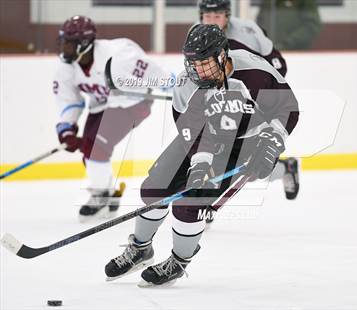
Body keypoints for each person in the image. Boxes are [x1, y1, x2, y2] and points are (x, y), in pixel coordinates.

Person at [104, 24, 299, 286]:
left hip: (245, 145)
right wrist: (200, 164)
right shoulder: (186, 86)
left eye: (205, 63)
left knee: (189, 205)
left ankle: (179, 261)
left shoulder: (256, 71)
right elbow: (192, 133)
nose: (198, 71)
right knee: (154, 188)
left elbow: (288, 108)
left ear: (222, 56)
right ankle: (141, 248)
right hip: (205, 138)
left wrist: (271, 143)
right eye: (193, 64)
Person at [54, 15, 170, 222]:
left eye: (69, 43)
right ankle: (110, 192)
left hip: (132, 104)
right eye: (63, 41)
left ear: (83, 44)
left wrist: (173, 86)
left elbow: (152, 72)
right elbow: (68, 99)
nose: (64, 48)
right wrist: (67, 128)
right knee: (89, 153)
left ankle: (101, 197)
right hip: (102, 106)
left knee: (94, 147)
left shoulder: (119, 55)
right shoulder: (66, 67)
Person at [198, 0, 300, 207]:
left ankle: (282, 168)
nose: (212, 22)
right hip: (224, 99)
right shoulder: (197, 32)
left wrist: (261, 95)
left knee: (251, 162)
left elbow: (278, 65)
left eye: (217, 16)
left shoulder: (247, 31)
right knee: (225, 150)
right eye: (207, 17)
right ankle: (284, 167)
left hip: (255, 99)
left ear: (227, 15)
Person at [257, 0, 322, 50]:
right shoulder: (269, 2)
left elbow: (312, 26)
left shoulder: (304, 2)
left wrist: (287, 43)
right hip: (269, 54)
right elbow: (260, 22)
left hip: (296, 54)